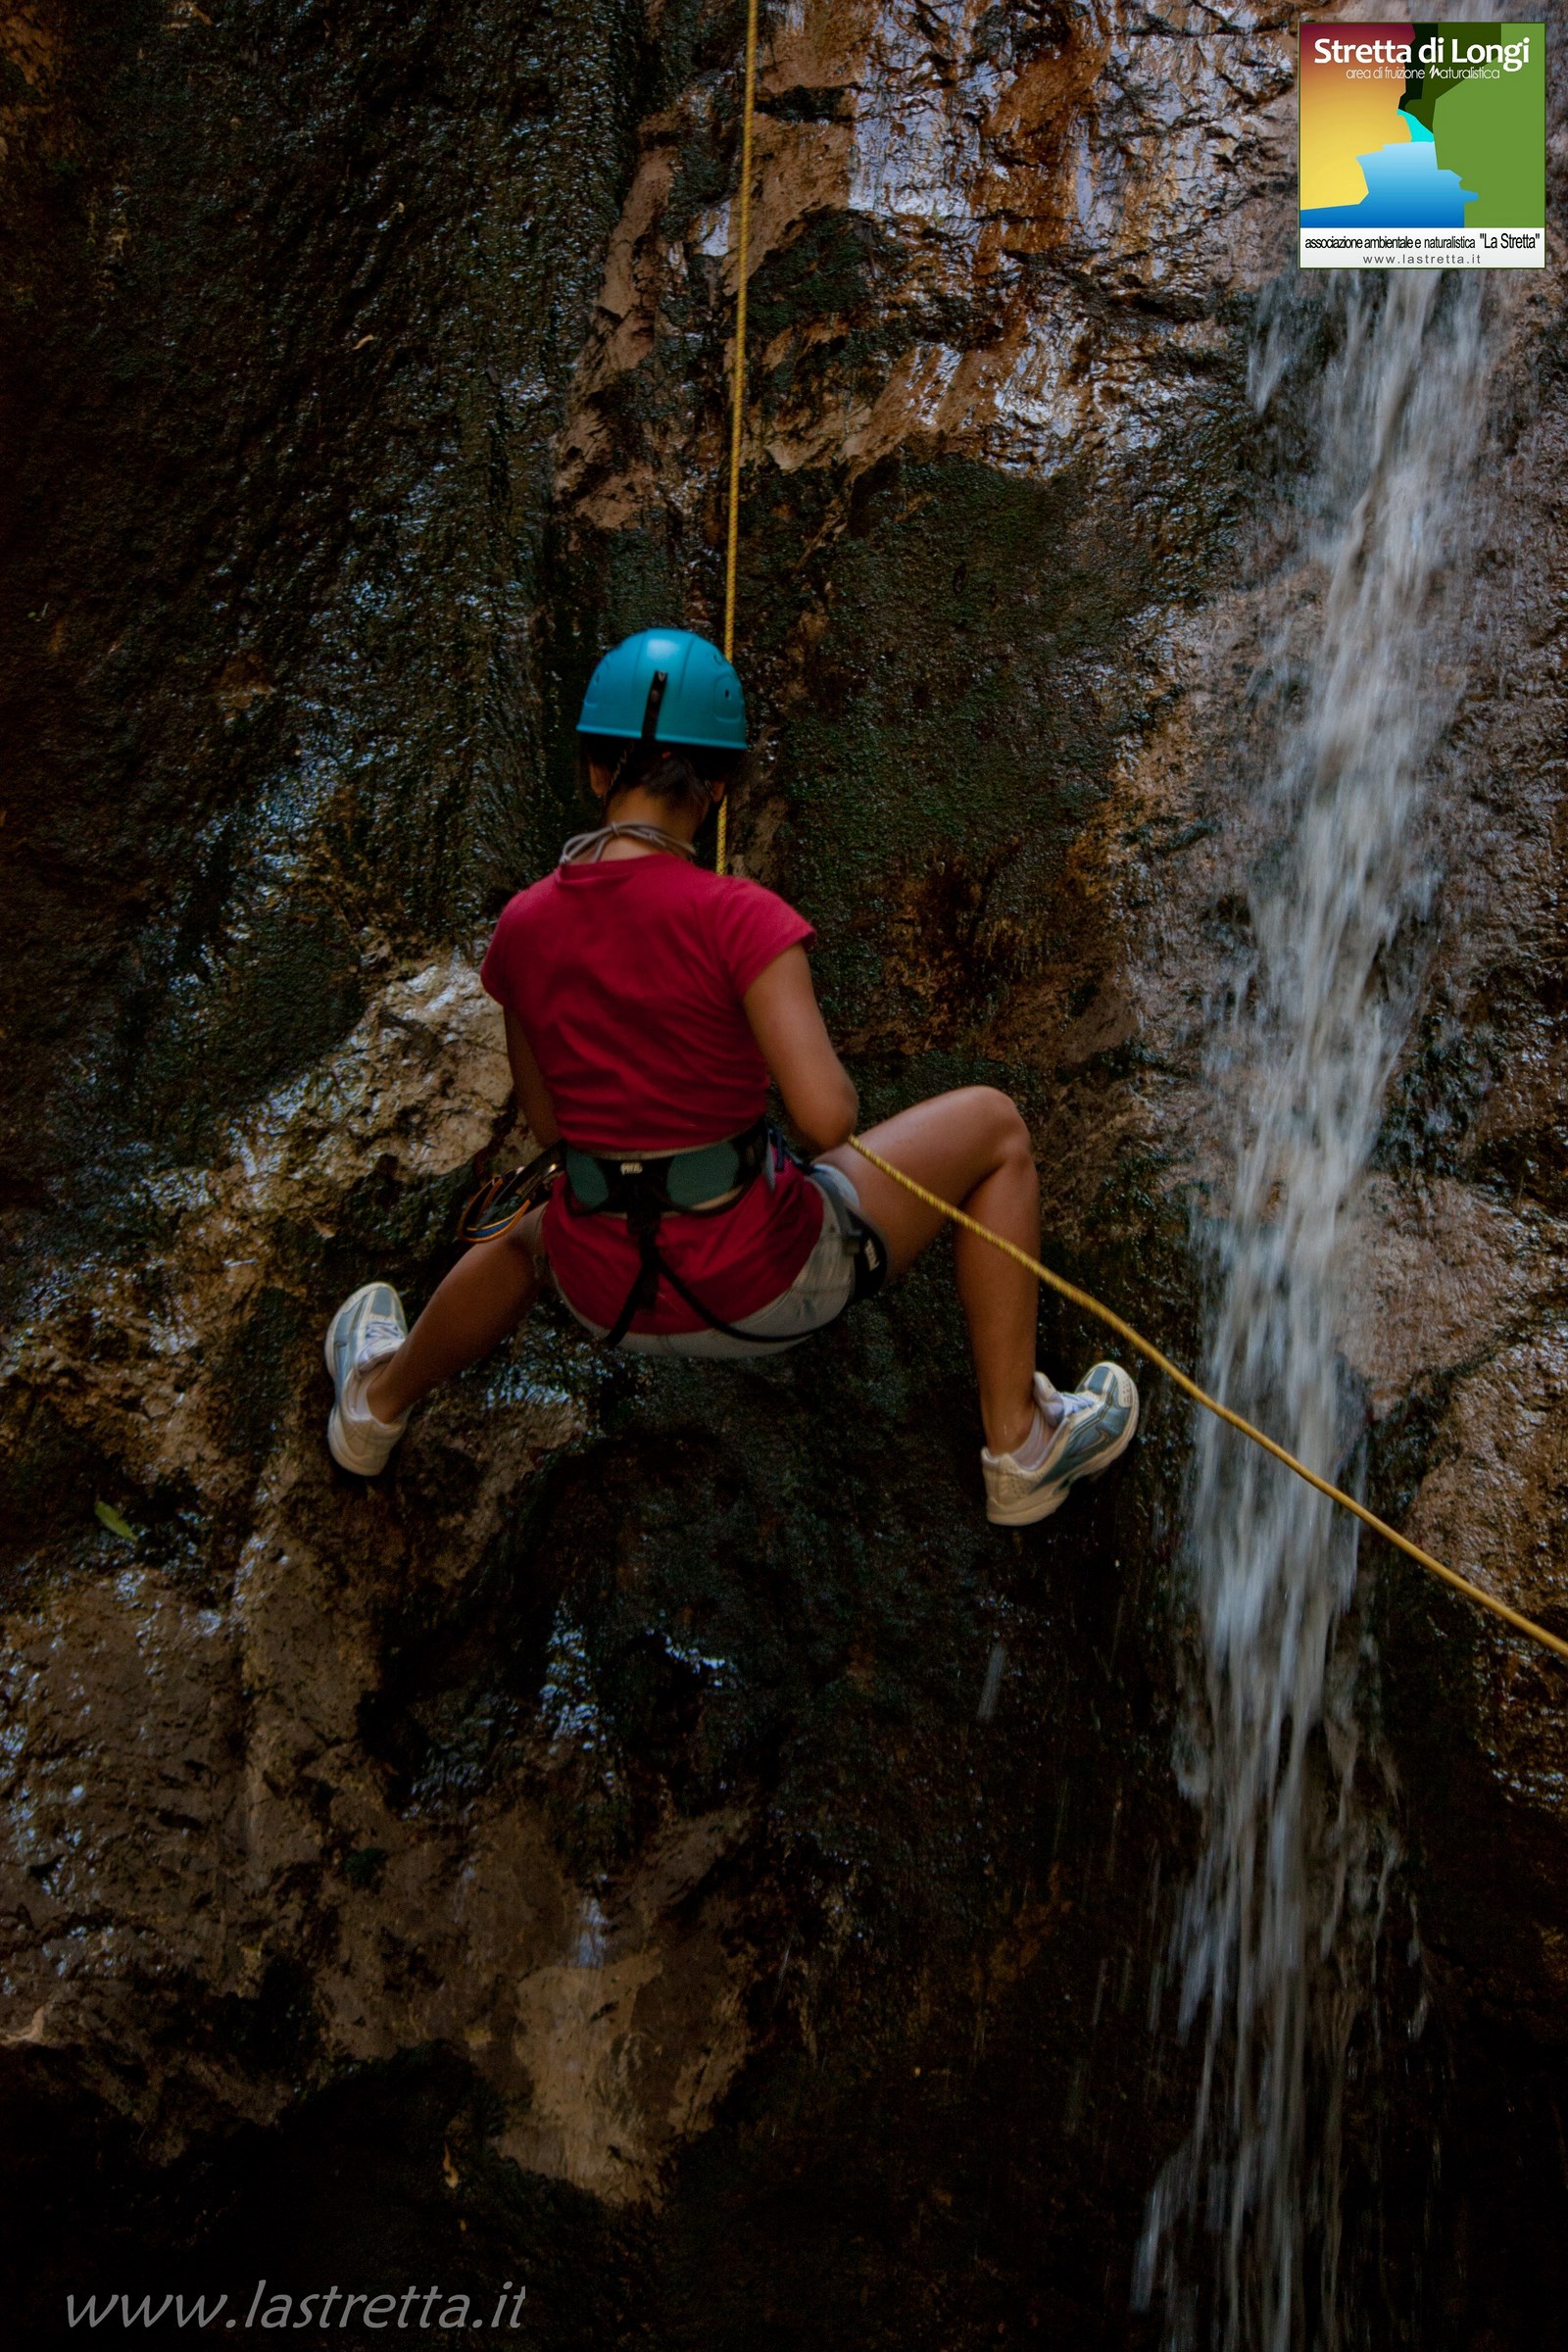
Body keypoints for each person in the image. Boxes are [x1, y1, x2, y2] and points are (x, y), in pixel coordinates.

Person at [323, 627, 1138, 1526]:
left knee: (527, 1237)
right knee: (995, 1125)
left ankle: (377, 1404)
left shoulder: (523, 924)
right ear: (717, 789)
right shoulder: (742, 919)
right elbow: (826, 1119)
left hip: (601, 1293)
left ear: (594, 770)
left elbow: (551, 1128)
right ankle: (1019, 1444)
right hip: (764, 1287)